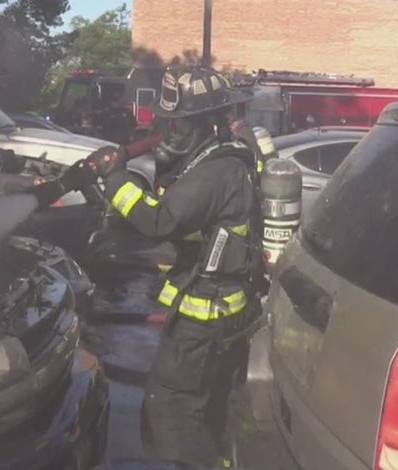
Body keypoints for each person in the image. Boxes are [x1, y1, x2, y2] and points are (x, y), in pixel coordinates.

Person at [54, 66, 268, 466]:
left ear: (207, 121)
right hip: (219, 309)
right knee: (209, 412)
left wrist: (116, 178)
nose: (172, 132)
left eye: (180, 123)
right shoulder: (220, 156)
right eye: (169, 123)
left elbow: (160, 221)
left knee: (172, 412)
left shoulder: (216, 170)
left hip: (204, 318)